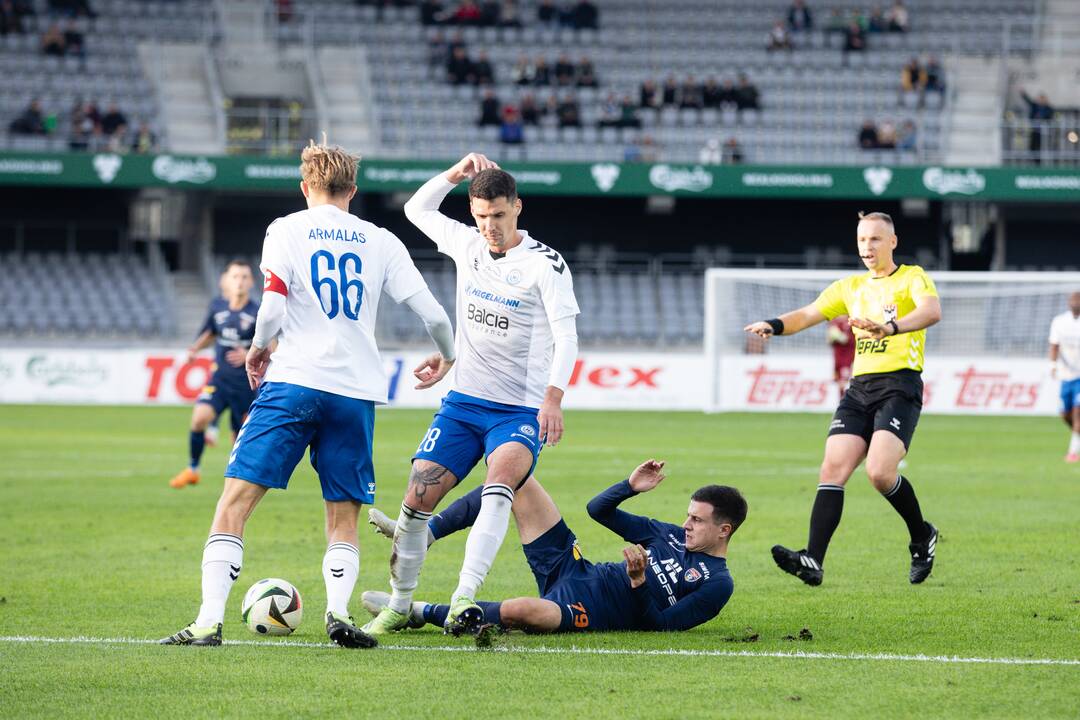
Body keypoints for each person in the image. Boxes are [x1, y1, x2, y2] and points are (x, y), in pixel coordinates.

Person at [160, 139, 456, 648]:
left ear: (305, 187)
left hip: (294, 381)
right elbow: (431, 313)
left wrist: (257, 348)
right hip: (355, 392)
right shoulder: (380, 239)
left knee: (234, 503)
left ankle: (209, 621)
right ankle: (339, 614)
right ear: (353, 190)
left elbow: (272, 306)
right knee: (343, 514)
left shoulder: (286, 229)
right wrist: (446, 355)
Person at [362, 152, 580, 637]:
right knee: (416, 500)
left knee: (500, 488)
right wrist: (453, 175)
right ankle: (398, 606)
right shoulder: (467, 245)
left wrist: (553, 398)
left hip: (518, 410)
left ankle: (464, 597)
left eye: (498, 215)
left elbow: (567, 337)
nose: (490, 226)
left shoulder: (545, 265)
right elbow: (417, 210)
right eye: (481, 216)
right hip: (463, 404)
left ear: (517, 207)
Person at [745, 211, 942, 586]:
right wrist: (774, 324)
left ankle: (922, 535)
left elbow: (932, 311)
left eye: (875, 239)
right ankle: (813, 559)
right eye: (861, 240)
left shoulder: (912, 277)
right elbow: (807, 314)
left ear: (892, 242)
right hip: (859, 389)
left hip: (900, 386)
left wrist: (890, 328)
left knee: (880, 473)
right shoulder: (849, 287)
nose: (867, 247)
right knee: (832, 470)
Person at [362, 460, 745, 637]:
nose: (686, 524)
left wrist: (640, 581)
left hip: (590, 610)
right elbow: (599, 511)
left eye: (697, 520)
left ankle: (417, 612)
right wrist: (628, 487)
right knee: (516, 479)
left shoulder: (718, 584)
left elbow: (660, 626)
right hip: (576, 568)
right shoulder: (670, 535)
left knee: (521, 609)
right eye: (688, 515)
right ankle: (425, 533)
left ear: (724, 530)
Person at [168, 261, 260, 490]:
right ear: (226, 280)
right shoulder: (217, 306)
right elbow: (211, 333)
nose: (240, 281)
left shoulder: (257, 311)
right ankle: (193, 469)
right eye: (235, 276)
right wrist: (195, 349)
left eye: (244, 277)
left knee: (238, 442)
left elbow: (272, 345)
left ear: (251, 282)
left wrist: (249, 353)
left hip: (245, 386)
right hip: (219, 380)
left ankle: (235, 485)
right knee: (199, 419)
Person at [1049, 292, 1080, 462]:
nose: (1075, 304)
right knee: (1064, 414)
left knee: (1078, 413)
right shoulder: (1060, 322)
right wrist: (1052, 365)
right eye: (1073, 301)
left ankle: (1073, 452)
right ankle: (1077, 436)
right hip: (1066, 376)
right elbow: (1054, 345)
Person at [827, 315, 856, 399]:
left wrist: (842, 337)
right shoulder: (834, 322)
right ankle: (842, 403)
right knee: (839, 381)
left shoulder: (851, 321)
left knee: (845, 381)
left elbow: (848, 339)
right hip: (837, 357)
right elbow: (829, 341)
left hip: (848, 357)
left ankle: (847, 403)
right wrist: (834, 337)